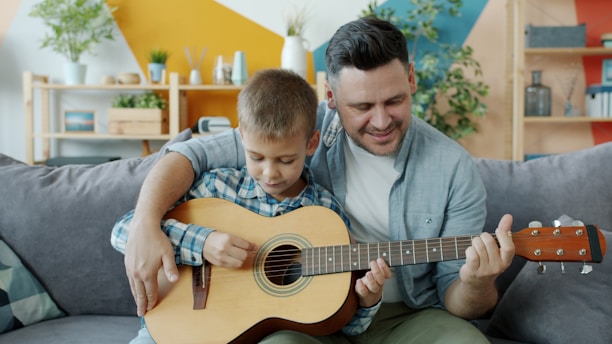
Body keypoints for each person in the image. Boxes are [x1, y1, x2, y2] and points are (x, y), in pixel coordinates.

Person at [124, 17, 515, 343]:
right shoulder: (295, 131)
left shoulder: (454, 168)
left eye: (394, 100)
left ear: (411, 79)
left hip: (404, 316)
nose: (381, 121)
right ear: (329, 95)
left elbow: (459, 301)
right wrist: (145, 224)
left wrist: (478, 282)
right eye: (361, 106)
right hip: (301, 315)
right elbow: (189, 154)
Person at [111, 68, 388, 343]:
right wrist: (203, 243)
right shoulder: (216, 188)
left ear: (311, 143)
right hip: (173, 328)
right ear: (241, 136)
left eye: (286, 161)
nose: (270, 173)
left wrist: (367, 301)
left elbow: (344, 327)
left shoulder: (327, 215)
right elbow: (122, 231)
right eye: (256, 157)